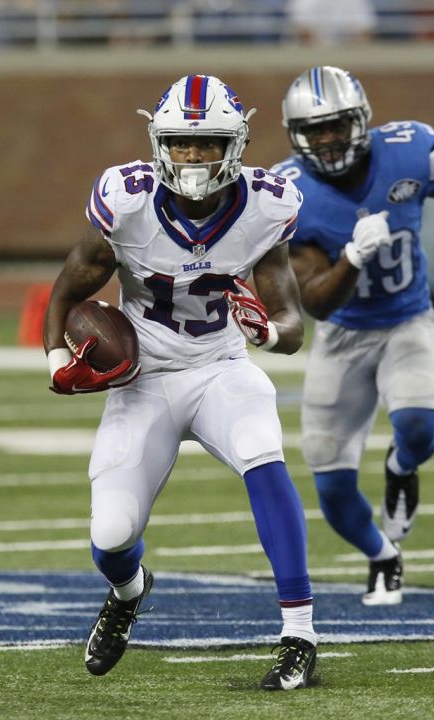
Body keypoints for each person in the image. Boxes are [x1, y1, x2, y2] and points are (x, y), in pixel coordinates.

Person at [43, 74, 318, 690]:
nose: (193, 157)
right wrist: (54, 359)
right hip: (145, 376)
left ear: (236, 145)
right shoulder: (127, 198)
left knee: (261, 452)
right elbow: (70, 286)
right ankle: (129, 589)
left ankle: (300, 635)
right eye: (181, 143)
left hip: (220, 366)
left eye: (208, 143)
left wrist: (270, 334)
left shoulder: (267, 205)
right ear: (159, 143)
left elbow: (293, 320)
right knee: (111, 534)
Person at [272, 66, 434, 605]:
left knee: (417, 424)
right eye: (313, 130)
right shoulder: (287, 193)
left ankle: (400, 467)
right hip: (343, 336)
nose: (326, 139)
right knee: (330, 479)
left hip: (408, 319)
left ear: (361, 121)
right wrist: (351, 256)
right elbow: (318, 302)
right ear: (296, 136)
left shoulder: (411, 147)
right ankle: (382, 555)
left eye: (336, 126)